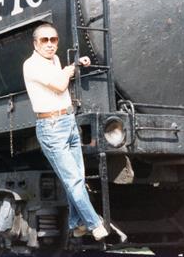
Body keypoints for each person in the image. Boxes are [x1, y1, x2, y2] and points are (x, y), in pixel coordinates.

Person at [22, 22, 109, 241]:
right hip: (51, 127)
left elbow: (62, 75)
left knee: (77, 176)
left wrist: (77, 63)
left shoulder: (55, 61)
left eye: (54, 40)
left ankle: (76, 222)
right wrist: (72, 69)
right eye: (45, 40)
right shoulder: (31, 65)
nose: (50, 45)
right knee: (73, 180)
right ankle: (94, 223)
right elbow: (60, 85)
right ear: (35, 43)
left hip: (68, 121)